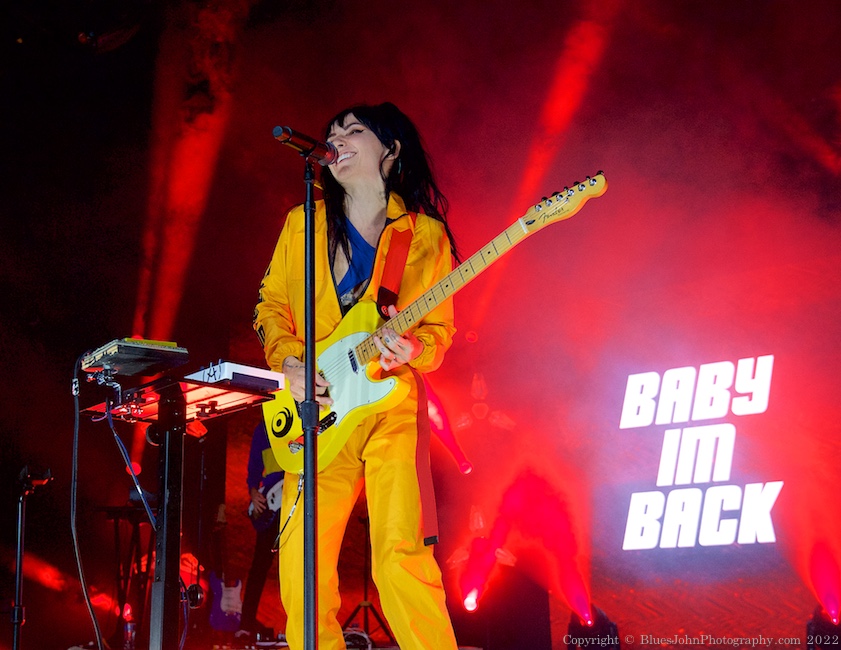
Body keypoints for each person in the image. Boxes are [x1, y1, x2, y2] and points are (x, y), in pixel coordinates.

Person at [252, 102, 459, 650]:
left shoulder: (424, 235)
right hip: (317, 409)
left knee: (400, 556)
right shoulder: (304, 223)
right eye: (331, 134)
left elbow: (439, 334)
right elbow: (271, 305)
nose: (337, 139)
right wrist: (289, 363)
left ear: (389, 151)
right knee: (303, 566)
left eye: (353, 131)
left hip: (391, 406)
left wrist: (414, 346)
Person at [236, 420, 284, 640]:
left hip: (298, 496)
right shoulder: (262, 429)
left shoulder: (303, 417)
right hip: (272, 502)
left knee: (295, 566)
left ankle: (300, 622)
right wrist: (253, 492)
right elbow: (253, 469)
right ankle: (245, 623)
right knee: (260, 565)